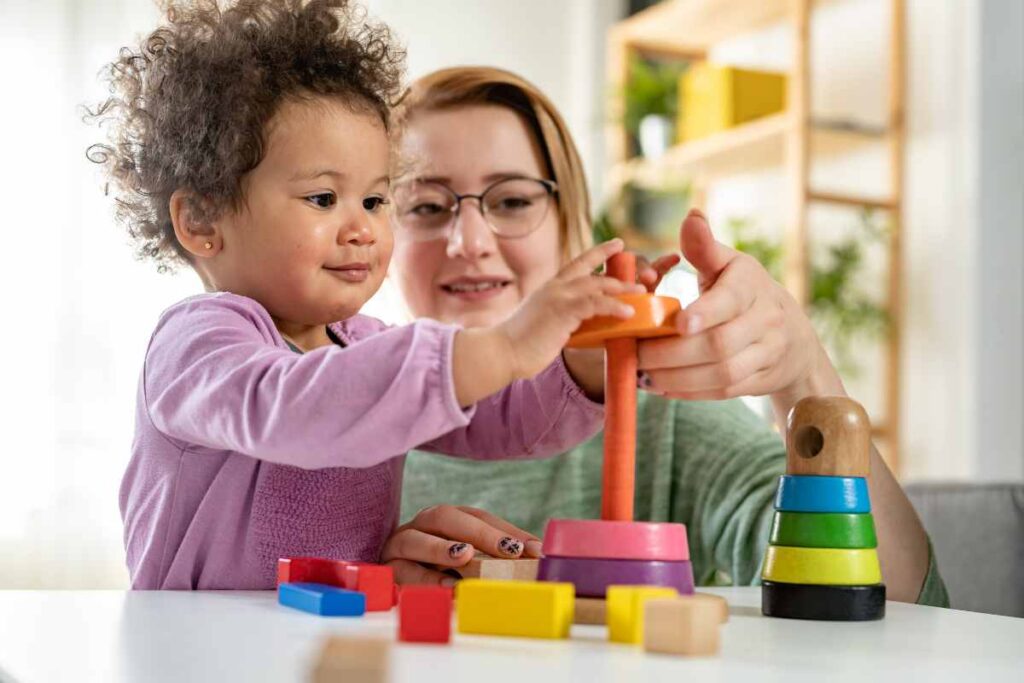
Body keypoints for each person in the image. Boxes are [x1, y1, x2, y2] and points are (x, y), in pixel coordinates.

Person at [88, 1, 642, 589]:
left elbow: (502, 416)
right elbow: (300, 406)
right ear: (202, 220)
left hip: (333, 640)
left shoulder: (368, 347)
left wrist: (584, 365)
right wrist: (502, 346)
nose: (363, 229)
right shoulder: (197, 343)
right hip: (199, 651)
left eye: (376, 201)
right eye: (324, 199)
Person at [387, 66, 948, 606]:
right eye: (426, 206)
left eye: (511, 200)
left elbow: (894, 606)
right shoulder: (330, 414)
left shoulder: (662, 415)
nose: (469, 241)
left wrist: (804, 376)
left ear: (569, 223)